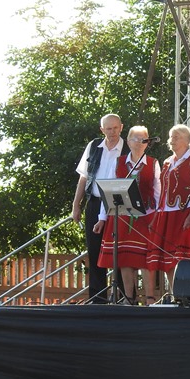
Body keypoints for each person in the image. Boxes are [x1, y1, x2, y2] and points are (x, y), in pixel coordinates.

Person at [93, 125, 161, 304]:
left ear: (147, 143)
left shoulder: (153, 163)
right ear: (128, 141)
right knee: (125, 258)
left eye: (142, 139)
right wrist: (102, 218)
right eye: (135, 139)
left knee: (146, 258)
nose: (138, 143)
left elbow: (159, 194)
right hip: (122, 216)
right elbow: (107, 191)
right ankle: (129, 298)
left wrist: (157, 218)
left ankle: (150, 298)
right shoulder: (119, 162)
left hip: (146, 217)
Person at [72, 114, 129, 304]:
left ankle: (123, 297)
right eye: (108, 128)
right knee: (95, 251)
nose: (112, 132)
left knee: (119, 250)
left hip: (119, 204)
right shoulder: (93, 146)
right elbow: (83, 177)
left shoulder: (128, 148)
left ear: (121, 127)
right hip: (95, 202)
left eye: (115, 128)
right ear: (102, 130)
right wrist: (76, 205)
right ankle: (98, 299)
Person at [148, 124, 190, 297]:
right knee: (168, 257)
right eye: (171, 137)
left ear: (187, 140)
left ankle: (186, 295)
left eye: (176, 137)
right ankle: (175, 295)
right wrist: (156, 215)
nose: (172, 140)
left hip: (184, 212)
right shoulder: (167, 161)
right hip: (166, 213)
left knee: (182, 256)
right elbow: (162, 191)